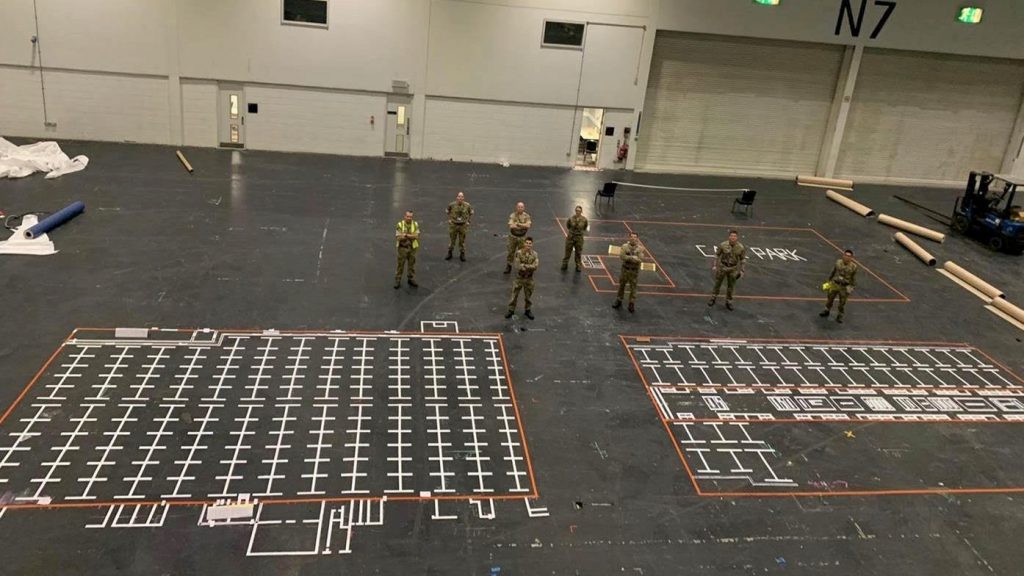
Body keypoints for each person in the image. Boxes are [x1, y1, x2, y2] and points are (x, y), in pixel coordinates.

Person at [708, 230, 746, 310]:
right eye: (731, 236)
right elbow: (717, 255)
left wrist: (742, 270)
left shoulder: (740, 247)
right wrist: (715, 265)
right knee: (718, 283)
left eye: (734, 236)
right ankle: (713, 297)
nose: (733, 238)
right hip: (723, 267)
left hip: (733, 268)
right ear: (729, 236)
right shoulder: (723, 245)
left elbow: (742, 259)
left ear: (737, 237)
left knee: (731, 286)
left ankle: (729, 301)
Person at [820, 249, 859, 323]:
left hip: (844, 286)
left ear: (851, 258)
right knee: (830, 298)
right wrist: (829, 281)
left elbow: (853, 278)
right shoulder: (838, 262)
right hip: (835, 283)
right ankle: (826, 310)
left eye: (849, 256)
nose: (847, 257)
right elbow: (833, 271)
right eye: (845, 255)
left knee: (842, 303)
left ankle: (840, 315)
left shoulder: (854, 267)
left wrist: (851, 287)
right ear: (843, 255)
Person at [506, 237, 538, 319]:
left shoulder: (535, 254)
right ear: (524, 244)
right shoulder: (519, 253)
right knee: (514, 295)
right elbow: (517, 266)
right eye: (527, 243)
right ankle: (511, 310)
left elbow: (535, 266)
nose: (528, 245)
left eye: (530, 243)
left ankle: (528, 310)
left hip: (529, 279)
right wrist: (528, 267)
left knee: (528, 296)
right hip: (519, 278)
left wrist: (524, 266)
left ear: (532, 244)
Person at [612, 232, 644, 313]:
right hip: (625, 270)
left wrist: (629, 258)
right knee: (621, 286)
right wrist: (633, 258)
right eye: (632, 237)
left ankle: (631, 303)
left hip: (634, 272)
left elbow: (640, 259)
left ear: (637, 239)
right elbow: (622, 257)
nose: (633, 238)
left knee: (633, 288)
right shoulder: (624, 246)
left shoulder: (640, 249)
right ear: (629, 238)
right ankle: (619, 300)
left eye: (635, 237)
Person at [394, 210, 419, 289]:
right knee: (400, 264)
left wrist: (406, 235)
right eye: (408, 216)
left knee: (411, 264)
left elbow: (416, 236)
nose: (409, 218)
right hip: (402, 248)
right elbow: (398, 237)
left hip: (412, 248)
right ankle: (398, 279)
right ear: (405, 216)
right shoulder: (400, 224)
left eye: (411, 217)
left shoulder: (415, 224)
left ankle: (410, 278)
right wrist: (410, 236)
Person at [445, 191, 473, 261]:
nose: (460, 198)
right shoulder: (452, 205)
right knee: (452, 241)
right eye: (459, 196)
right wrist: (449, 219)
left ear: (463, 198)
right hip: (454, 225)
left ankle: (462, 254)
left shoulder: (467, 205)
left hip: (463, 226)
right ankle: (450, 252)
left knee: (462, 241)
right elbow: (447, 211)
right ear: (457, 197)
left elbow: (471, 212)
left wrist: (468, 221)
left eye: (462, 197)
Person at [505, 202, 532, 273]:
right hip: (513, 237)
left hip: (522, 237)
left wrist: (518, 225)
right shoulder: (513, 215)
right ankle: (509, 265)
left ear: (524, 208)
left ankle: (521, 267)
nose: (520, 208)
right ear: (516, 207)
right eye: (519, 207)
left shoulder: (527, 216)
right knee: (511, 251)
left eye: (521, 207)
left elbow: (528, 226)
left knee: (522, 253)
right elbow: (511, 226)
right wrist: (523, 226)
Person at [561, 205, 588, 271]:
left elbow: (585, 227)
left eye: (579, 211)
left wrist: (579, 232)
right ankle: (565, 264)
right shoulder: (571, 218)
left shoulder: (584, 220)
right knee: (567, 251)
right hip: (571, 237)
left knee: (578, 253)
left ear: (581, 211)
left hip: (579, 238)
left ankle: (578, 265)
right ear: (575, 211)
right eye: (577, 210)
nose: (578, 212)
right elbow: (568, 226)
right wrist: (572, 232)